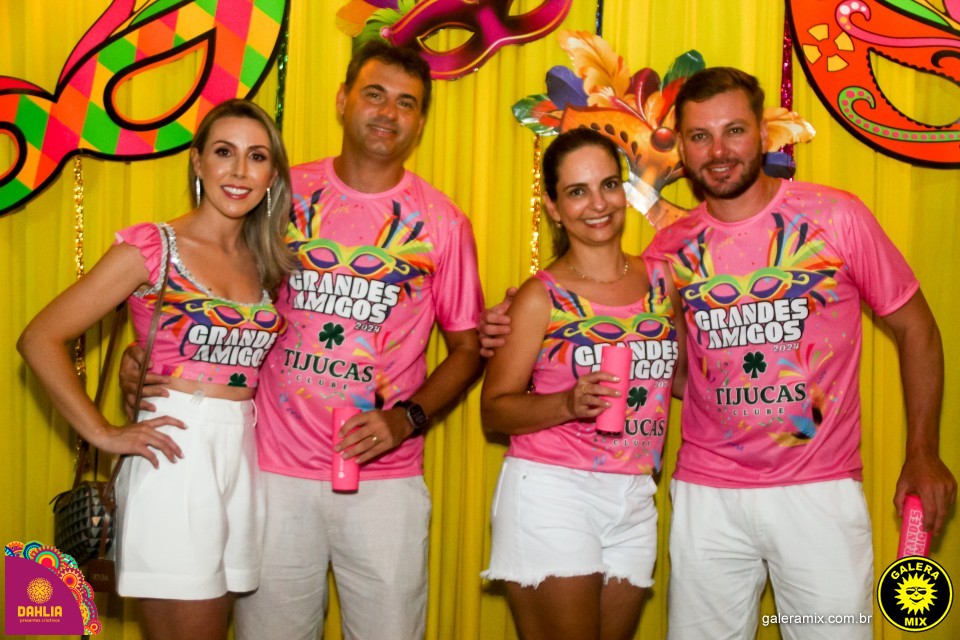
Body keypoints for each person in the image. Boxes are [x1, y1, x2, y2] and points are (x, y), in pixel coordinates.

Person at [482, 66, 957, 639]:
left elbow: (917, 328)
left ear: (763, 132)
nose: (719, 151)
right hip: (706, 495)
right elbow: (672, 366)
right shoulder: (670, 252)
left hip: (818, 491)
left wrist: (923, 451)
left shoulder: (836, 216)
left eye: (734, 130)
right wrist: (511, 322)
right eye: (700, 136)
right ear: (682, 148)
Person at [124, 42, 484, 639]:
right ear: (342, 100)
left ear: (421, 121)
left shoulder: (443, 222)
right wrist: (146, 352)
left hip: (385, 478)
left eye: (406, 103)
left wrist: (407, 419)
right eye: (374, 94)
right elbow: (206, 279)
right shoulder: (278, 195)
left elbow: (468, 349)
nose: (388, 113)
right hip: (270, 470)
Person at [18, 98, 294, 640]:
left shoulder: (265, 259)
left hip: (243, 455)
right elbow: (40, 338)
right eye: (224, 152)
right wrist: (102, 431)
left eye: (257, 156)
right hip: (175, 454)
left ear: (272, 175)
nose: (240, 171)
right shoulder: (154, 247)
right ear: (197, 161)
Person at [479, 127, 683, 640]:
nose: (598, 204)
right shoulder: (539, 296)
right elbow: (495, 410)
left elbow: (681, 379)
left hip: (636, 492)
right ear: (552, 206)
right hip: (554, 491)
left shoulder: (663, 281)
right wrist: (568, 403)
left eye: (608, 185)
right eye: (577, 191)